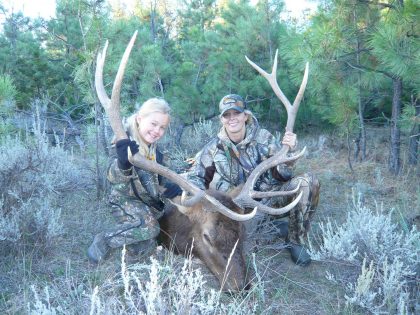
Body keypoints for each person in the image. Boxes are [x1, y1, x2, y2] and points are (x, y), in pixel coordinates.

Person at [187, 94, 320, 266]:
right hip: (239, 211)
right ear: (221, 119)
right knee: (243, 244)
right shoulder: (213, 149)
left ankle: (296, 241)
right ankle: (277, 229)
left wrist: (290, 154)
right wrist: (203, 201)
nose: (232, 118)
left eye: (236, 113)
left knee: (308, 182)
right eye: (227, 115)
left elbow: (283, 174)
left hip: (269, 200)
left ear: (245, 116)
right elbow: (195, 177)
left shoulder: (264, 138)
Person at [87, 98, 182, 264]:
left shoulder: (156, 152)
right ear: (139, 119)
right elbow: (112, 176)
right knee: (150, 228)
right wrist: (123, 163)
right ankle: (103, 240)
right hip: (123, 200)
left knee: (154, 239)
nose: (157, 131)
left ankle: (137, 247)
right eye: (153, 124)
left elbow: (155, 184)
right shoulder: (122, 141)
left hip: (147, 203)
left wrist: (169, 189)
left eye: (162, 128)